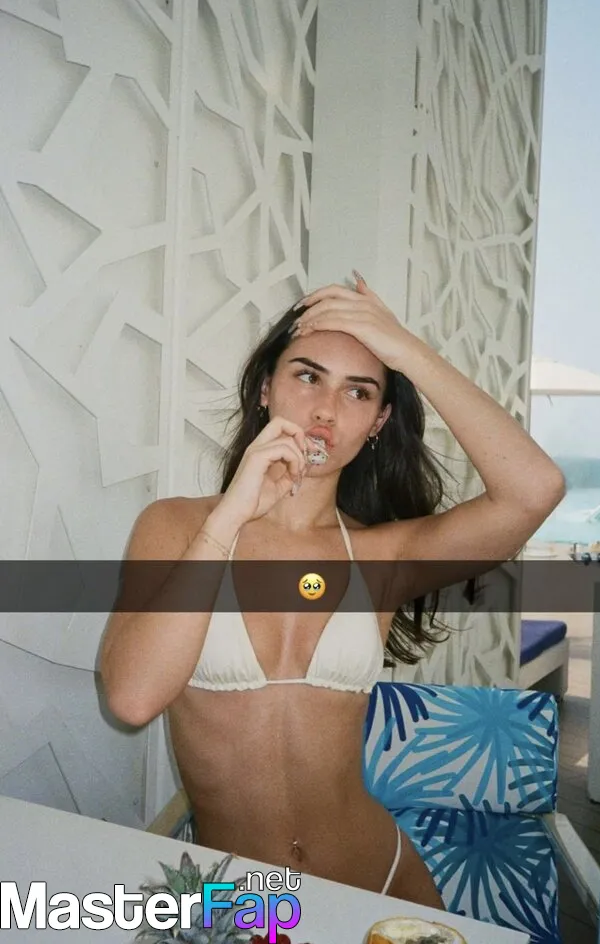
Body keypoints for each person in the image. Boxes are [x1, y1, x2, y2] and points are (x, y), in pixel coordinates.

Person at [100, 273, 565, 907]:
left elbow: (535, 490)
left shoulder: (382, 556)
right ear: (265, 389)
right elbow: (132, 699)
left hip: (383, 883)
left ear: (378, 421)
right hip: (249, 902)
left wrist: (406, 350)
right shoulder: (176, 527)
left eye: (358, 391)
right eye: (308, 376)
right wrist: (230, 517)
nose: (326, 410)